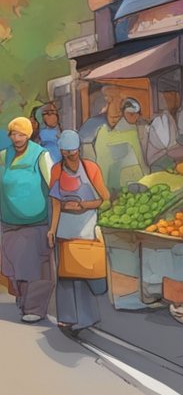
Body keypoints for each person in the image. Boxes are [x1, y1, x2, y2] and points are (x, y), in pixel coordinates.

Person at [46, 130, 109, 334]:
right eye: (65, 153)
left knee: (83, 273)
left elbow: (103, 197)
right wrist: (52, 230)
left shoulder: (90, 168)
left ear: (78, 150)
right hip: (64, 228)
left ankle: (86, 317)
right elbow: (55, 203)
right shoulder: (57, 170)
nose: (69, 157)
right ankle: (66, 318)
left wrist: (84, 205)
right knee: (65, 274)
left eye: (72, 153)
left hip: (85, 226)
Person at [1, 117, 56, 323]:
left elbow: (53, 183)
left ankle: (35, 307)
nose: (17, 138)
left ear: (29, 134)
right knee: (16, 263)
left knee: (37, 265)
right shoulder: (4, 156)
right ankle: (24, 301)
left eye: (21, 134)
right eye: (14, 134)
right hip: (10, 221)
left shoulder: (40, 155)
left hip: (36, 221)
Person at [146, 86, 183, 170]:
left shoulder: (169, 117)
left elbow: (174, 142)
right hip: (156, 161)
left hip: (168, 158)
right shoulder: (155, 119)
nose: (176, 100)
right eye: (170, 96)